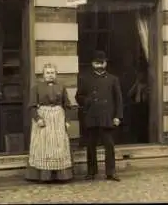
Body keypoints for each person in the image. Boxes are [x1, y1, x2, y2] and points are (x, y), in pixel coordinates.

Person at [25, 63, 78, 182]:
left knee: (58, 146)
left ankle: (60, 176)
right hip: (43, 119)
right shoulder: (36, 87)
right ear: (43, 75)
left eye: (52, 73)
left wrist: (67, 120)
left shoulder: (61, 87)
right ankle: (44, 176)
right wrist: (37, 118)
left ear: (56, 74)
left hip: (58, 119)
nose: (50, 75)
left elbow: (68, 105)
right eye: (48, 73)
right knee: (43, 146)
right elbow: (32, 106)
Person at [76, 51, 123, 181]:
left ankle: (111, 172)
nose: (99, 65)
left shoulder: (113, 79)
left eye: (102, 62)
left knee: (109, 145)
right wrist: (87, 101)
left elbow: (118, 99)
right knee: (91, 145)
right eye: (97, 62)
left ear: (105, 63)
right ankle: (91, 172)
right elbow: (78, 96)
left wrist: (118, 116)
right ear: (92, 63)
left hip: (107, 116)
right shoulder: (84, 78)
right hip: (91, 115)